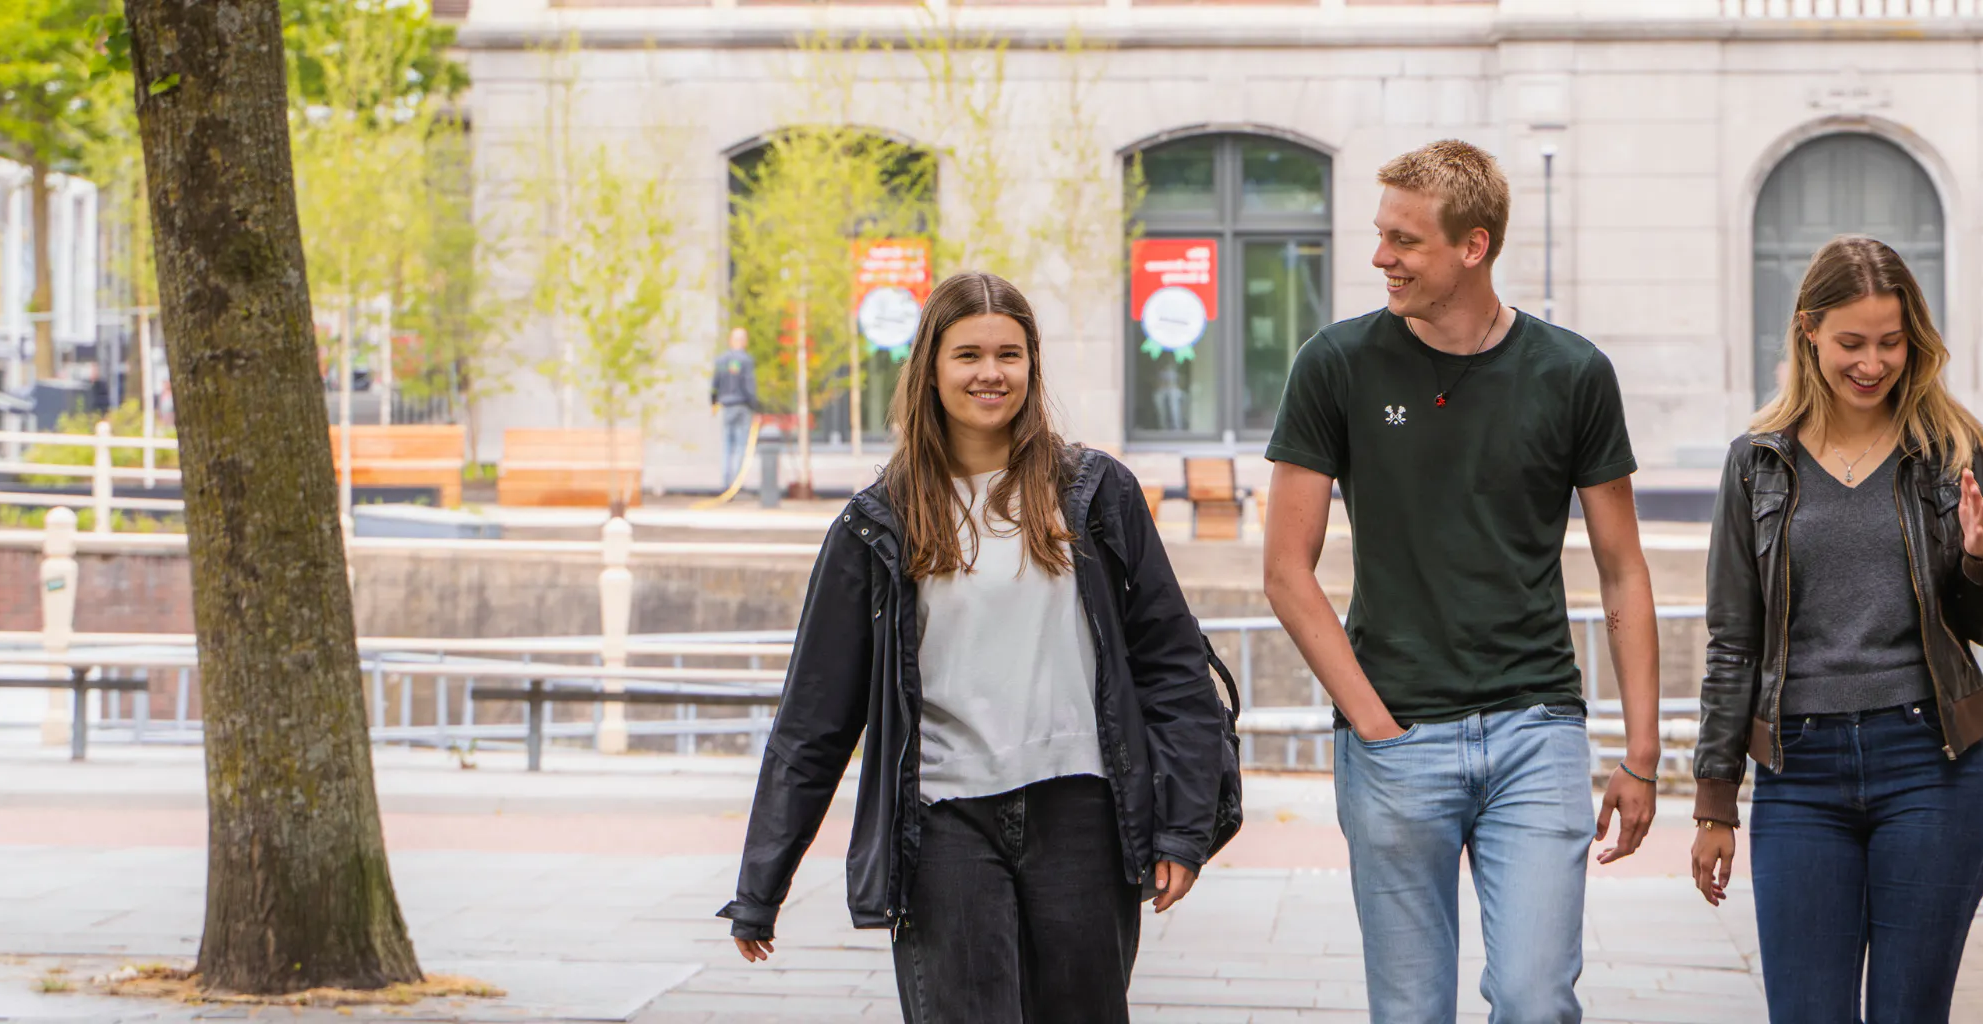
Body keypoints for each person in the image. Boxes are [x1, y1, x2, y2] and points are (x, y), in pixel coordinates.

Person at [719, 271, 1234, 1023]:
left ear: (1032, 366)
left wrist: (1184, 829)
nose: (990, 373)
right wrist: (761, 884)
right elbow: (814, 721)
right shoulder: (878, 524)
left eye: (1009, 354)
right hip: (945, 823)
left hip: (1082, 814)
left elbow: (1172, 668)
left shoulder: (1094, 496)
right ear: (931, 365)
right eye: (968, 355)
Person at [1261, 139, 1662, 1024]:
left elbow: (1623, 570)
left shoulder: (1572, 374)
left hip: (1537, 733)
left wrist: (1641, 754)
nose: (1380, 258)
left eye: (1404, 241)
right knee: (1409, 1013)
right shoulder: (1336, 365)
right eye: (1381, 235)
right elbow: (1285, 572)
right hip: (1397, 740)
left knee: (1534, 1001)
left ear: (1472, 247)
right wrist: (1374, 725)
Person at [1686, 235, 1983, 1024]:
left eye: (1891, 342)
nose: (1872, 363)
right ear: (1809, 330)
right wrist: (1713, 803)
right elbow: (1732, 640)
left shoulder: (1948, 455)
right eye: (1852, 343)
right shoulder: (1757, 465)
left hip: (1928, 767)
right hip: (1799, 776)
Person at [710, 327, 759, 487]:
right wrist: (755, 407)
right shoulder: (745, 360)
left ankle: (726, 483)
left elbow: (715, 384)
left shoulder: (722, 361)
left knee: (727, 446)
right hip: (743, 405)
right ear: (744, 341)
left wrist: (714, 402)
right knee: (740, 446)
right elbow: (749, 385)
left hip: (727, 406)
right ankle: (736, 484)